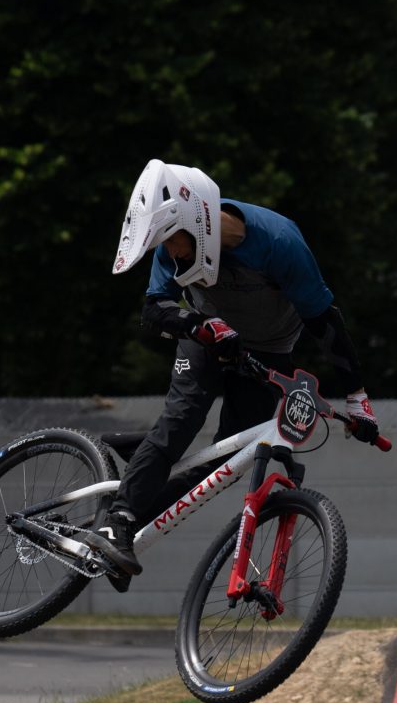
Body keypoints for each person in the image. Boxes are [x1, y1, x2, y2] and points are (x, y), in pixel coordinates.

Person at [87, 158, 379, 591]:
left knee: (224, 464)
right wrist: (197, 325)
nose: (171, 253)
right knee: (181, 422)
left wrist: (356, 396)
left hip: (269, 350)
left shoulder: (278, 242)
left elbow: (323, 321)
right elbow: (154, 308)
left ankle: (127, 510)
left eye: (174, 242)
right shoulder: (174, 239)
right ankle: (117, 523)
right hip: (205, 336)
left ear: (198, 221)